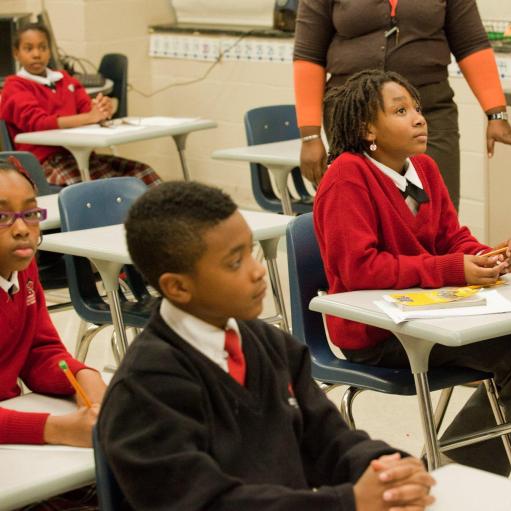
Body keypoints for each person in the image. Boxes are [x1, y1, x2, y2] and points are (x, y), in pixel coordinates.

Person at [313, 68, 511, 495]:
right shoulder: (346, 176)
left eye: (417, 108)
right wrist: (450, 269)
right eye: (401, 111)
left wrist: (487, 256)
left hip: (427, 316)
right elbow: (360, 269)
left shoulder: (424, 169)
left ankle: (447, 473)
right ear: (366, 128)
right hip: (376, 331)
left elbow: (452, 238)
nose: (419, 118)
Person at [98, 181, 435, 510]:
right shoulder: (144, 389)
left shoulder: (272, 345)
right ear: (178, 287)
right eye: (235, 262)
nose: (258, 271)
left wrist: (387, 469)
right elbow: (204, 501)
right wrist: (349, 502)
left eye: (251, 251)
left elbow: (329, 440)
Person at [293, 0, 511, 209]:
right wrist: (310, 136)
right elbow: (308, 54)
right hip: (356, 118)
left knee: (437, 209)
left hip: (430, 112)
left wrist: (496, 114)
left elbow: (471, 44)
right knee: (363, 210)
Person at [0, 157, 106, 446]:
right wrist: (55, 429)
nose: (22, 229)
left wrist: (83, 377)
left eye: (31, 213)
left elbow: (39, 350)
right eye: (2, 217)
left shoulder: (22, 267)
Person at [0, 23, 160, 187]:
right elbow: (40, 123)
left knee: (143, 173)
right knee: (105, 187)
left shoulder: (64, 79)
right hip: (44, 163)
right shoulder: (15, 86)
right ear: (16, 53)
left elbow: (88, 109)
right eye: (28, 49)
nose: (36, 54)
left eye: (43, 48)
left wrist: (102, 110)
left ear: (50, 51)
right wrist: (90, 117)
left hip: (82, 157)